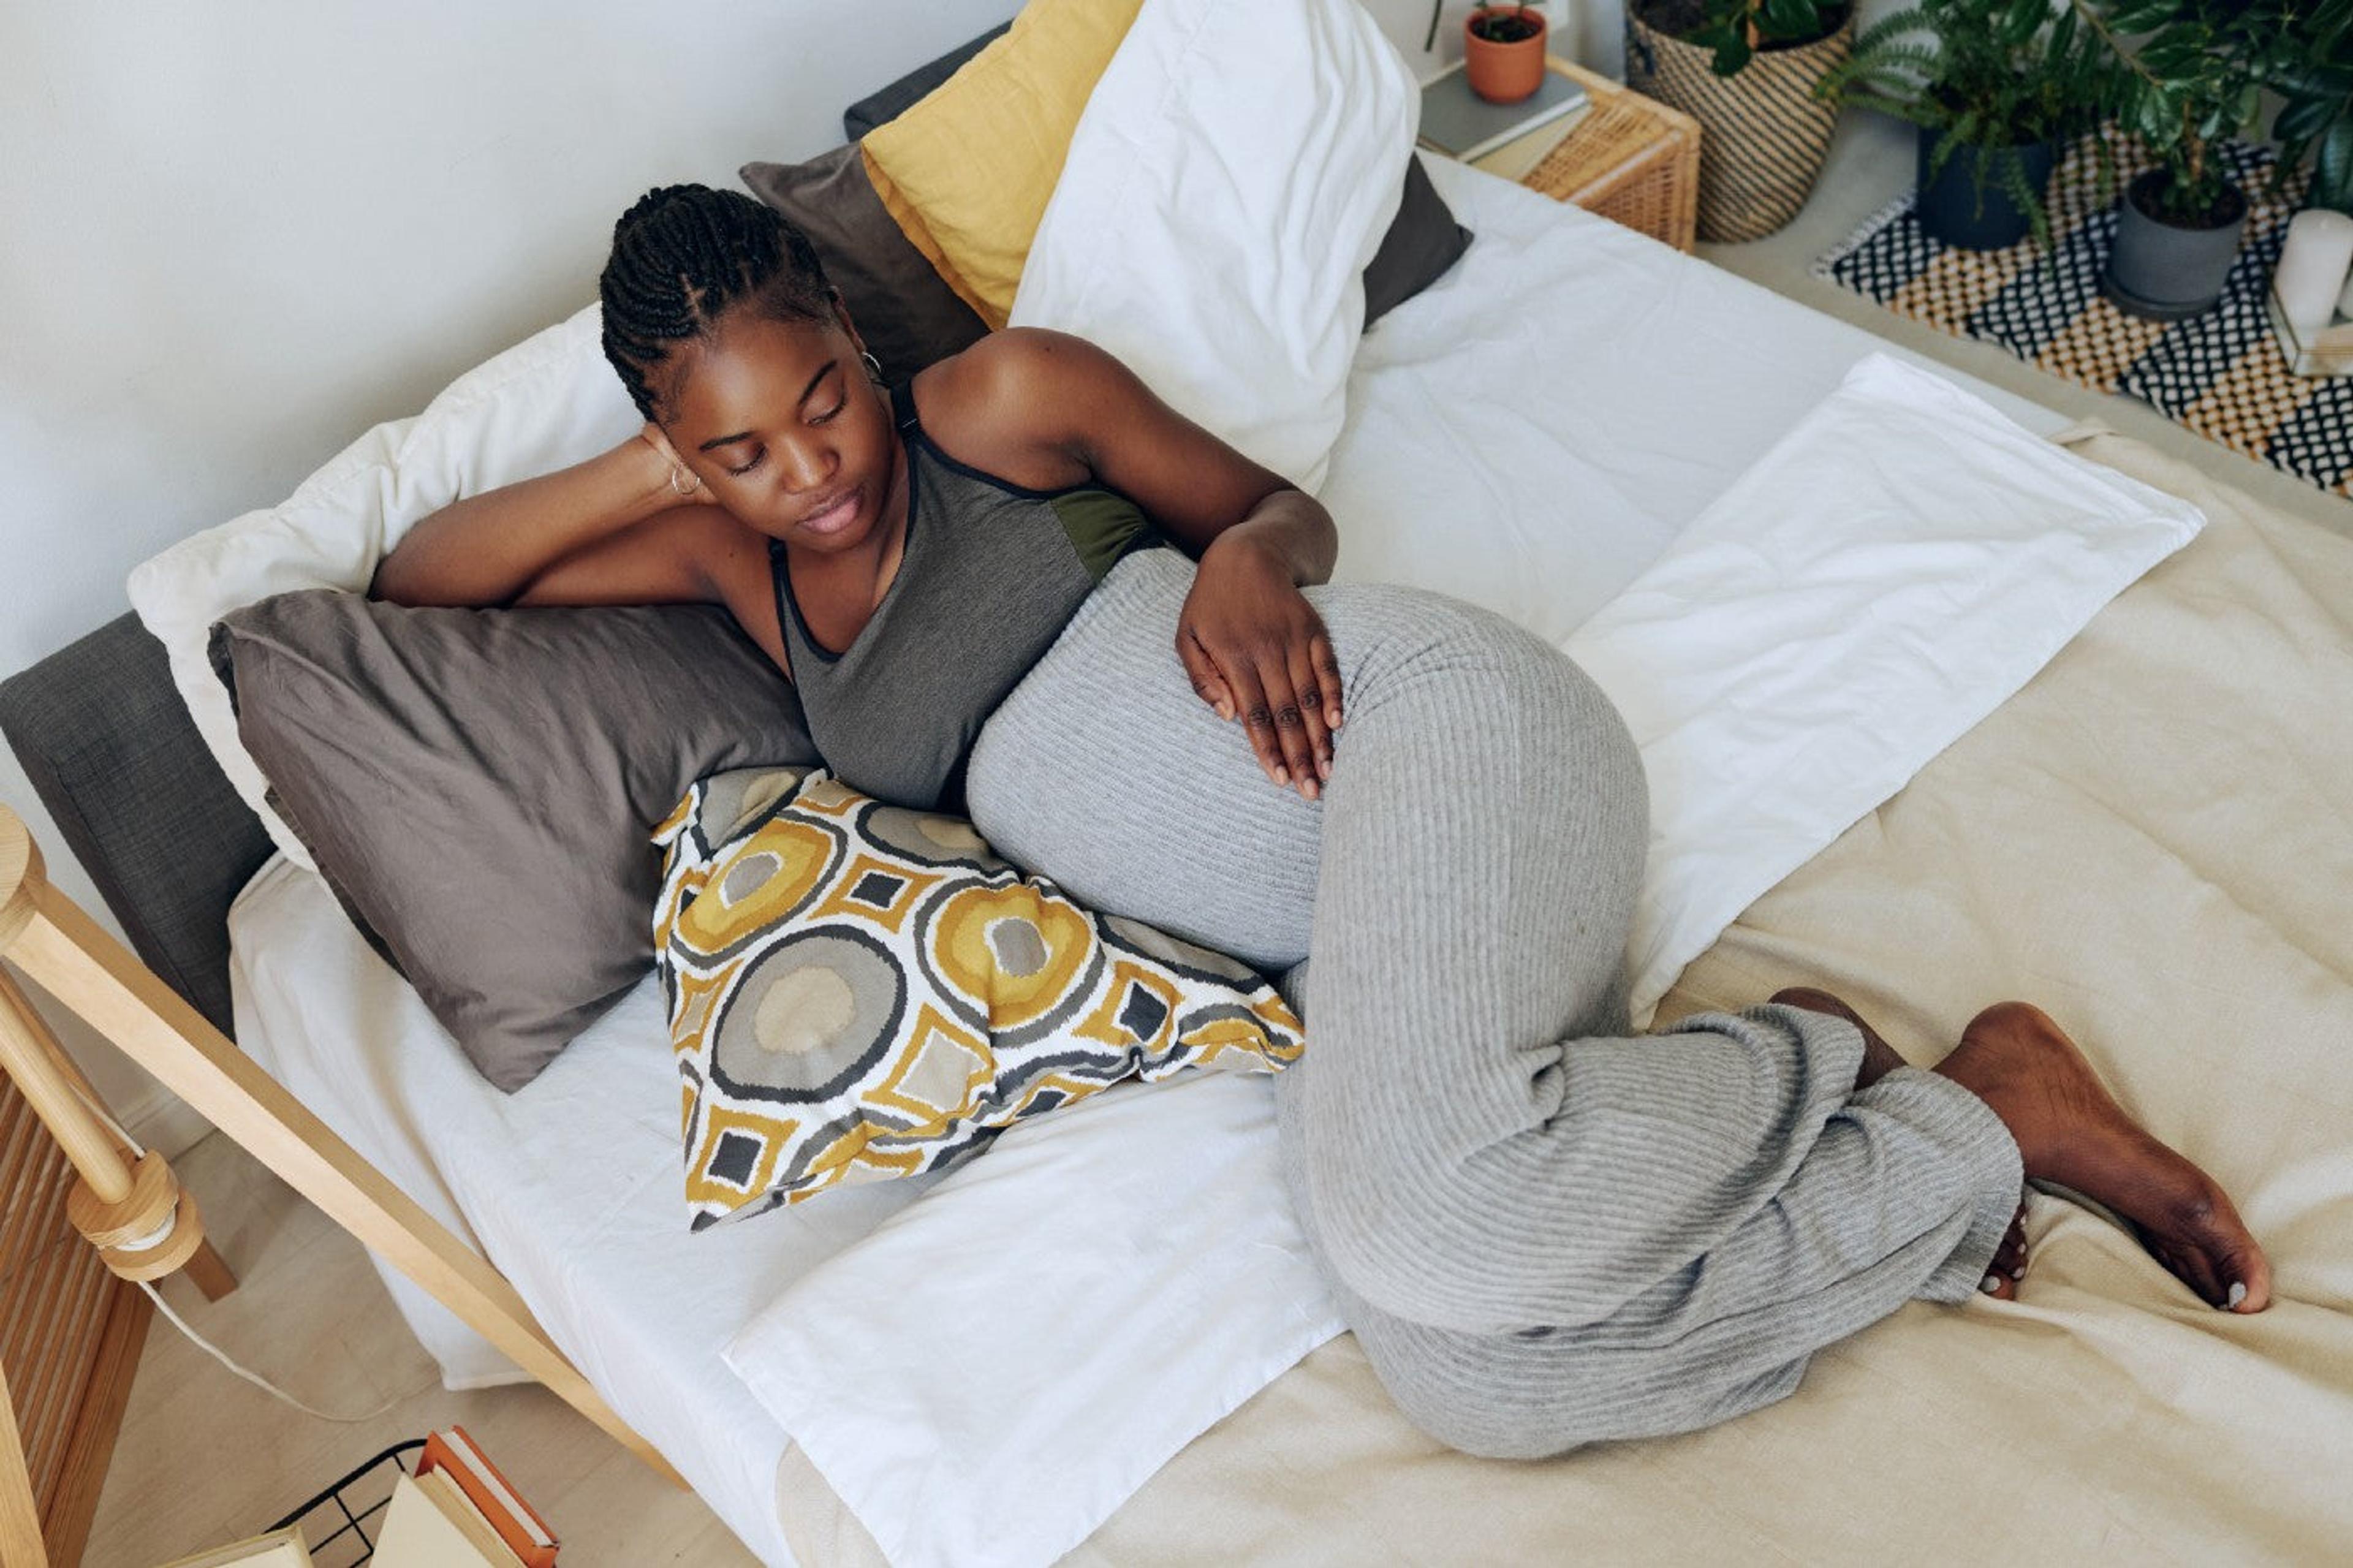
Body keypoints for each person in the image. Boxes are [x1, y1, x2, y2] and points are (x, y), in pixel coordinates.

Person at [373, 184, 2270, 1459]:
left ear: (858, 351)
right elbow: (426, 578)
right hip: (1339, 942)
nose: (813, 473)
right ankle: (1951, 1124)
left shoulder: (998, 402)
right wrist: (653, 447)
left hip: (1435, 735)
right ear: (679, 447)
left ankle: (1823, 1074)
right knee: (1472, 1382)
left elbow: (1276, 510)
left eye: (819, 402)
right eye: (741, 447)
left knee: (1438, 1230)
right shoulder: (741, 564)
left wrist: (1244, 571)